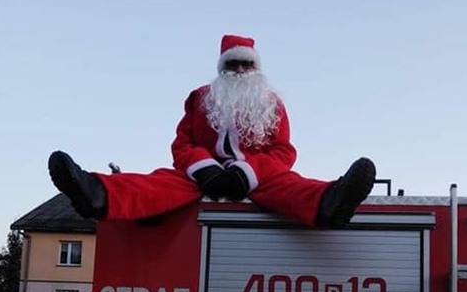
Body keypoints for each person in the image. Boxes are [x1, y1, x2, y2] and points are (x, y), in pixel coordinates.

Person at [48, 34, 376, 228]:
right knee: (158, 185)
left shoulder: (271, 102)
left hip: (259, 177)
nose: (240, 71)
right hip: (198, 177)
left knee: (292, 187)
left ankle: (332, 202)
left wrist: (246, 174)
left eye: (246, 65)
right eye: (233, 65)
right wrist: (205, 171)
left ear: (256, 68)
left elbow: (283, 152)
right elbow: (183, 143)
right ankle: (95, 192)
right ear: (222, 68)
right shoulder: (200, 98)